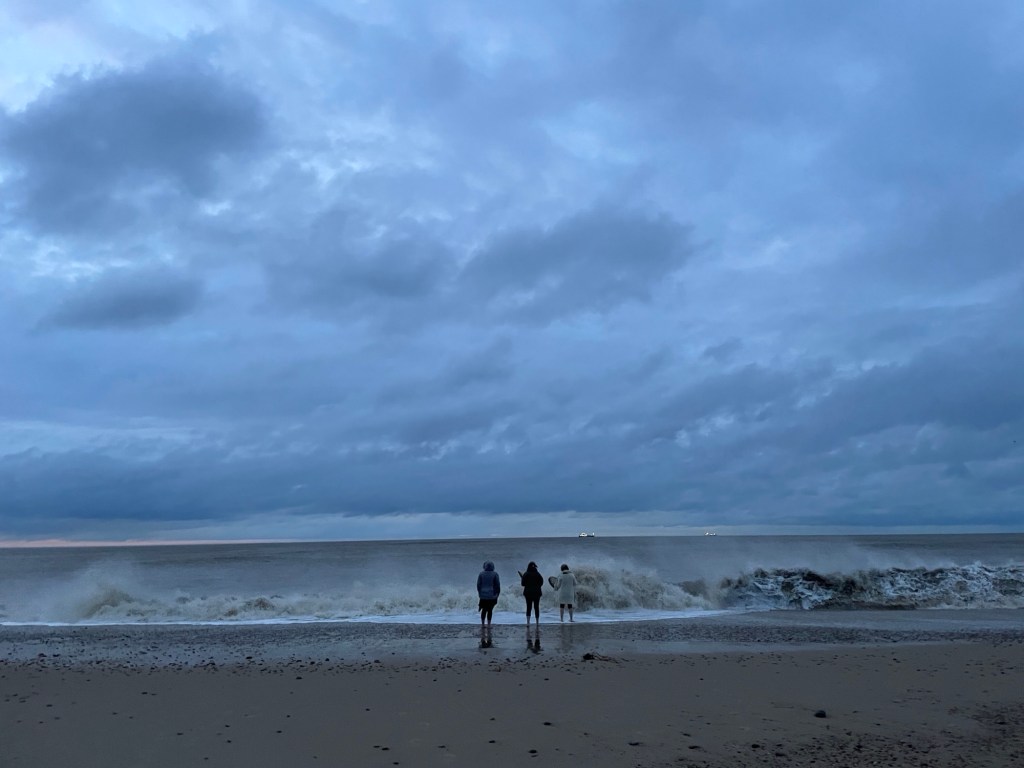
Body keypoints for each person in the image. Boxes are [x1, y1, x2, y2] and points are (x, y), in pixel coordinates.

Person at [477, 560, 500, 626]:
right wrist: (497, 593)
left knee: (483, 610)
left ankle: (483, 624)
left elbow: (478, 585)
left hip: (483, 595)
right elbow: (497, 585)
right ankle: (489, 624)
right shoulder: (495, 574)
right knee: (490, 610)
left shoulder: (481, 574)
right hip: (492, 595)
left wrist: (479, 592)